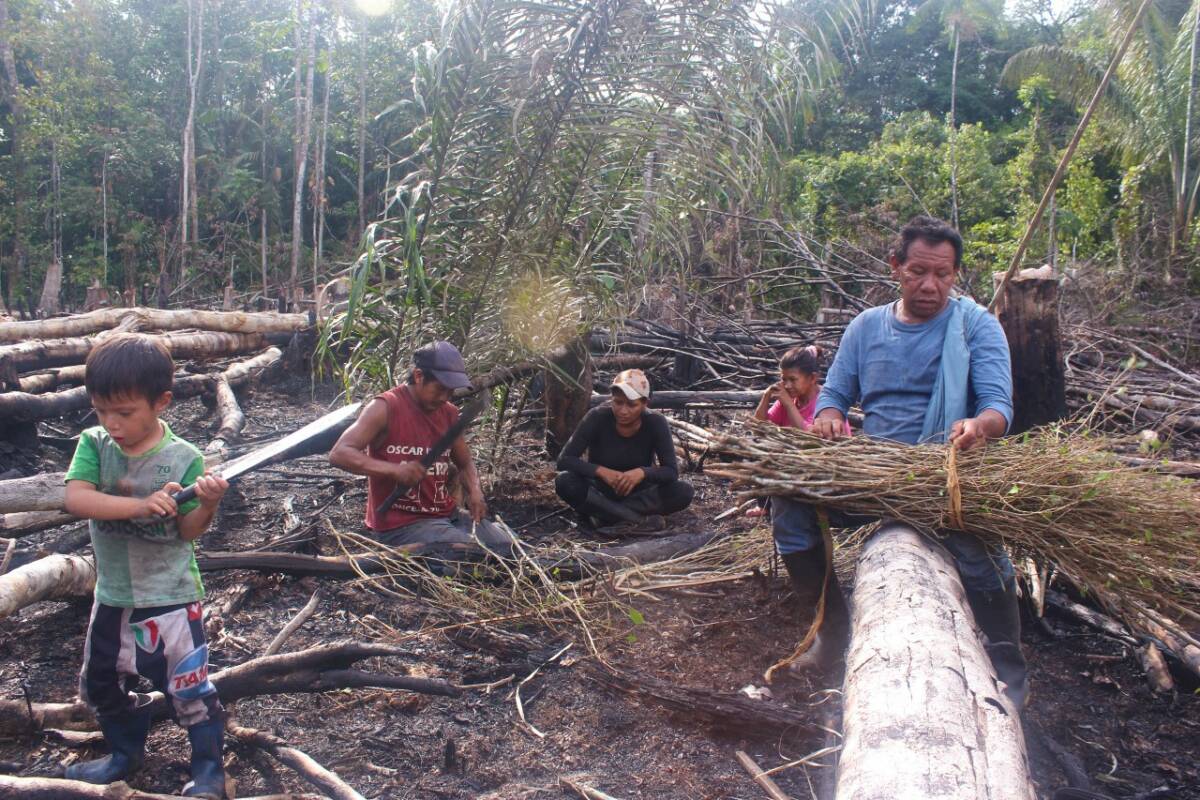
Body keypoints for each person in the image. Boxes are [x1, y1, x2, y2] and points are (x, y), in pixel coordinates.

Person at [778, 215, 1027, 706]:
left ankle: (1008, 666)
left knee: (982, 558)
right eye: (918, 272)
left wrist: (979, 426)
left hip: (944, 475)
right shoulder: (866, 327)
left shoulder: (976, 325)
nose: (930, 285)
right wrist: (827, 415)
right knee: (789, 505)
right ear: (896, 266)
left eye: (943, 274)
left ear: (956, 273)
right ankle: (832, 632)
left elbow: (1000, 406)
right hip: (874, 474)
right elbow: (834, 393)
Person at [63, 333, 229, 798]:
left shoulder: (184, 458)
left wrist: (208, 504)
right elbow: (77, 498)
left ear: (161, 403)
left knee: (188, 688)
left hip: (171, 597)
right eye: (102, 411)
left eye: (125, 413)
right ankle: (124, 754)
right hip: (113, 594)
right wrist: (138, 505)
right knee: (99, 682)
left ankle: (210, 772)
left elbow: (189, 531)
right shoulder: (95, 445)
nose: (112, 424)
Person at [329, 341, 514, 551]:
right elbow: (339, 453)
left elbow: (464, 462)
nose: (445, 397)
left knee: (508, 545)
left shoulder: (449, 413)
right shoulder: (385, 407)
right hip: (400, 525)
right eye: (440, 389)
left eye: (450, 391)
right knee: (472, 553)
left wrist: (474, 491)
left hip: (446, 514)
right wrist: (394, 470)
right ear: (418, 376)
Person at [554, 369, 694, 533]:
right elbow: (565, 460)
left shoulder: (656, 422)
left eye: (631, 405)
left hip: (640, 494)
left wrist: (641, 473)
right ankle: (637, 520)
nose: (623, 410)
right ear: (611, 399)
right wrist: (602, 472)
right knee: (564, 481)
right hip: (601, 490)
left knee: (683, 491)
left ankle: (604, 515)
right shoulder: (597, 417)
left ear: (644, 403)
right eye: (618, 402)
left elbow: (671, 472)